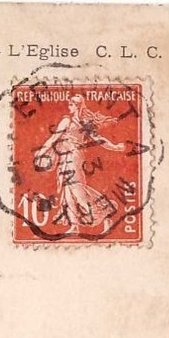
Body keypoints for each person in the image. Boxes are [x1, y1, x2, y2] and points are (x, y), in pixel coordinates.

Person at [34, 94, 126, 235]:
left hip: (75, 156)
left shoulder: (83, 122)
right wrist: (42, 151)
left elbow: (98, 138)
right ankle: (74, 225)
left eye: (71, 104)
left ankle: (106, 214)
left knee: (77, 189)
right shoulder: (66, 120)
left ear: (77, 106)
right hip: (63, 158)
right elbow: (54, 138)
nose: (68, 107)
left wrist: (114, 147)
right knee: (67, 190)